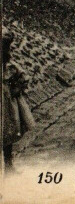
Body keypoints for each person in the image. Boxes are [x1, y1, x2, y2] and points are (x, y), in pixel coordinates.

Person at [2, 29, 35, 169]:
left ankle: (8, 163)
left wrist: (17, 89)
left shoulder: (9, 67)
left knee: (7, 133)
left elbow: (23, 78)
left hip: (6, 104)